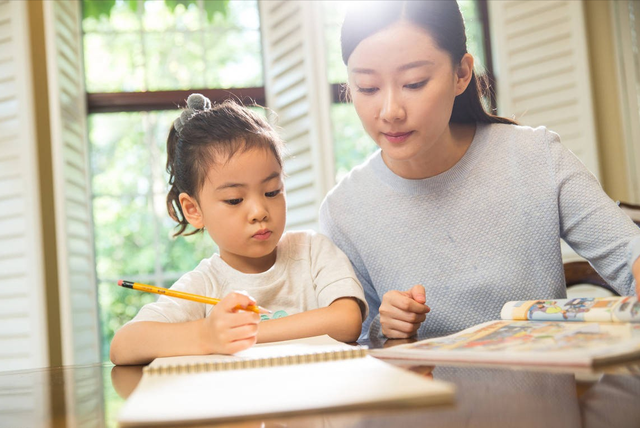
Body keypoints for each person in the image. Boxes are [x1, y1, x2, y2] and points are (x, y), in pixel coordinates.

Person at [319, 0, 640, 341]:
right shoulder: (343, 211)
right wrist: (385, 327)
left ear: (461, 74)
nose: (390, 111)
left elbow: (628, 254)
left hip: (544, 390)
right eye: (367, 87)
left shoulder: (534, 156)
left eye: (413, 83)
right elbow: (353, 343)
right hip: (424, 393)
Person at [110, 95, 367, 365]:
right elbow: (123, 345)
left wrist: (245, 334)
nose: (259, 212)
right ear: (194, 210)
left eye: (272, 191)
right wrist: (208, 335)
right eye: (234, 200)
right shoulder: (205, 283)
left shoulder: (312, 251)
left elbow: (347, 319)